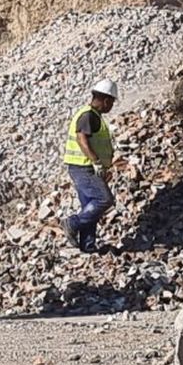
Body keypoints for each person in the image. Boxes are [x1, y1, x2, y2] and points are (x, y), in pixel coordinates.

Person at [62, 79, 119, 254]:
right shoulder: (88, 115)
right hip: (83, 167)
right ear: (107, 100)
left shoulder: (93, 116)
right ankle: (72, 223)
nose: (111, 107)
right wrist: (96, 162)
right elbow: (82, 139)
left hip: (85, 167)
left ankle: (88, 247)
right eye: (112, 103)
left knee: (90, 206)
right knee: (104, 199)